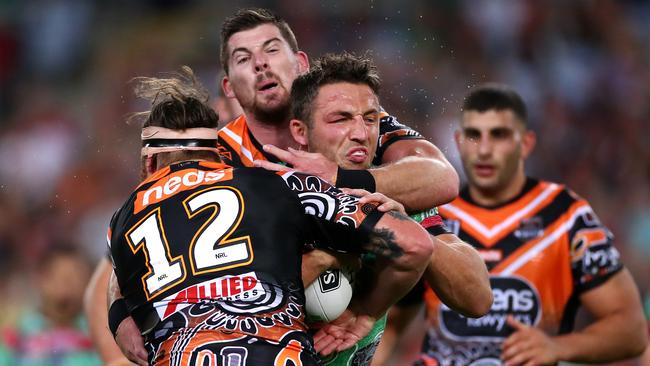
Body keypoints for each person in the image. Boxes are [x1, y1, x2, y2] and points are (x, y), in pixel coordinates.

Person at [85, 7, 462, 364]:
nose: (261, 64)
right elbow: (133, 251)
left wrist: (338, 178)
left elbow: (443, 178)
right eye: (244, 58)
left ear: (300, 63)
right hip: (279, 337)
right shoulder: (215, 157)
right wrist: (119, 314)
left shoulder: (350, 121)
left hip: (339, 331)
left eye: (271, 49)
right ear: (229, 87)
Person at [380, 83, 648, 365]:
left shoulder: (566, 217)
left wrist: (558, 348)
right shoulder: (433, 215)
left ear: (526, 143)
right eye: (474, 136)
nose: (484, 150)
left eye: (499, 136)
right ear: (458, 142)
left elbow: (630, 330)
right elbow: (391, 324)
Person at [283, 52, 491, 365]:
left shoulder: (391, 193)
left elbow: (478, 299)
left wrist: (403, 228)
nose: (361, 134)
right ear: (300, 131)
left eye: (370, 120)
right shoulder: (272, 191)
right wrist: (334, 256)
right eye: (340, 119)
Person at [0, 245, 101, 366]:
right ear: (40, 279)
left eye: (75, 276)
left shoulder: (99, 337)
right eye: (58, 276)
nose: (66, 284)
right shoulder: (16, 337)